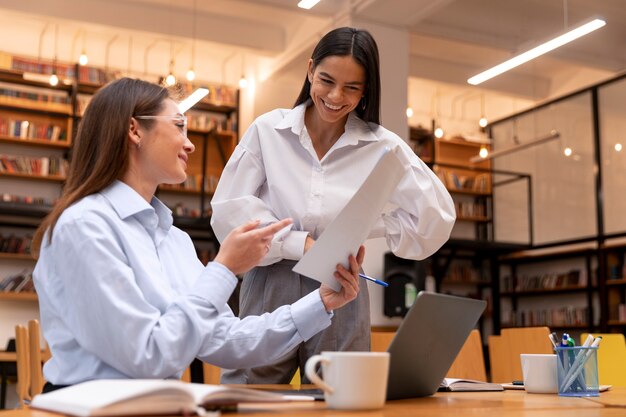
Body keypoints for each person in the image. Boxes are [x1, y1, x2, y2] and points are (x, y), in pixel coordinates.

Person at [31, 77, 364, 391]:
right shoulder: (85, 226)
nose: (190, 144)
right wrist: (223, 270)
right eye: (179, 126)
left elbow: (226, 340)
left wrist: (320, 303)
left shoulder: (173, 239)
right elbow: (147, 356)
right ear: (134, 129)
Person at [211, 27, 456, 384]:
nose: (336, 96)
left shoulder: (383, 146)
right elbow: (230, 214)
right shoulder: (268, 130)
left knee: (342, 396)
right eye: (326, 80)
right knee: (253, 393)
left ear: (366, 89)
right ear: (310, 70)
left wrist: (369, 224)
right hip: (270, 278)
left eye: (352, 88)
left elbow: (435, 219)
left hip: (343, 282)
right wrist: (302, 245)